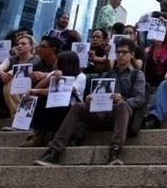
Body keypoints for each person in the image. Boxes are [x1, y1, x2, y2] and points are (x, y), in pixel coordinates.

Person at [34, 38, 145, 166]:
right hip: (102, 112)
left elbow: (140, 99)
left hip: (121, 113)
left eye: (124, 52)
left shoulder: (137, 74)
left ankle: (115, 151)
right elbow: (96, 95)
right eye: (118, 52)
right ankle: (54, 151)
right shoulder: (106, 74)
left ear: (131, 55)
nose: (120, 55)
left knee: (122, 106)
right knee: (78, 106)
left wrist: (123, 99)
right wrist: (90, 99)